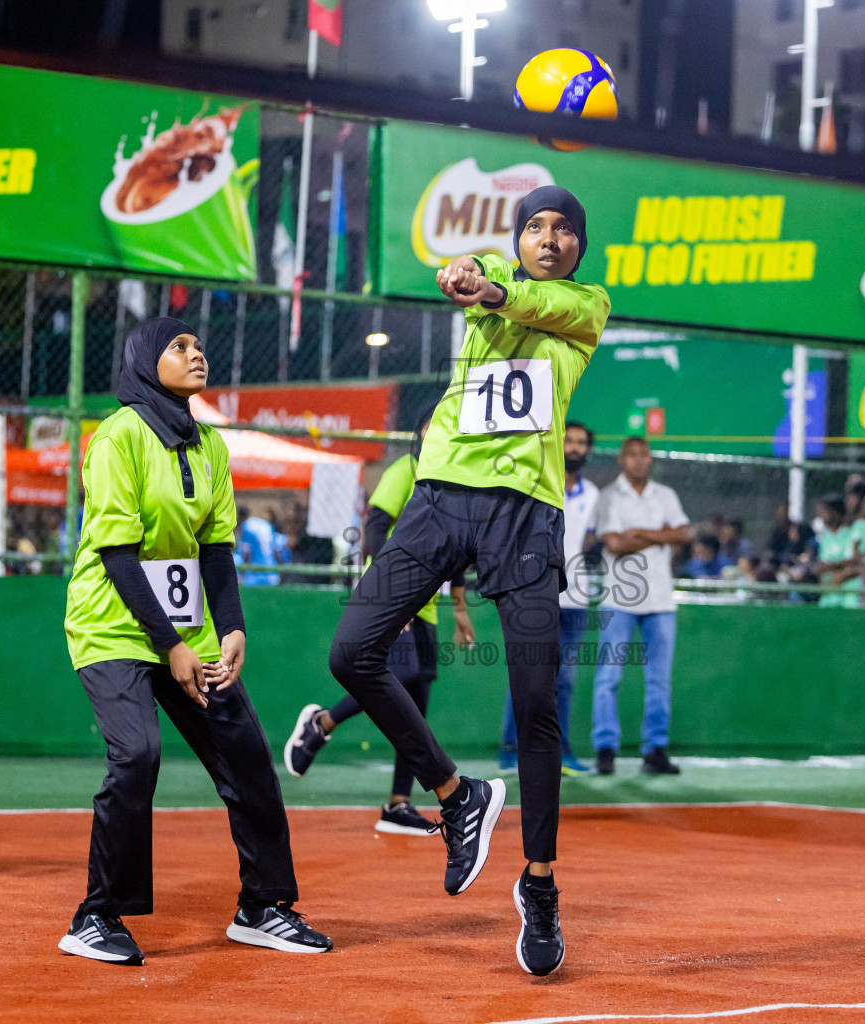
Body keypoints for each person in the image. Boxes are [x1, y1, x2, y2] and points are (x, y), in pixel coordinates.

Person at [327, 185, 608, 977]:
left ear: (578, 247)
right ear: (516, 237)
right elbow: (470, 271)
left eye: (564, 230)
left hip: (525, 514)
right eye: (535, 228)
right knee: (352, 655)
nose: (549, 239)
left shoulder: (585, 304)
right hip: (440, 497)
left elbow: (517, 297)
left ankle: (542, 886)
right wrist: (462, 274)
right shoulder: (489, 269)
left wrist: (490, 288)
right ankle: (458, 797)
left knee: (535, 703)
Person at [60, 317, 330, 966]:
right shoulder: (117, 437)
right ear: (147, 361)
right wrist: (171, 645)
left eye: (199, 345)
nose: (195, 353)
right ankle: (96, 916)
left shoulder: (209, 444)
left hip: (190, 631)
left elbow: (215, 549)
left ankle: (264, 906)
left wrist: (232, 627)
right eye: (178, 347)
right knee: (138, 754)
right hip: (113, 625)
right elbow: (119, 554)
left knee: (246, 755)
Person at [284, 410, 477, 834]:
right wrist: (388, 592)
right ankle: (322, 723)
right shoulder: (406, 469)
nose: (436, 431)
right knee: (399, 673)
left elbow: (456, 550)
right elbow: (376, 523)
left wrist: (459, 609)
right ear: (420, 431)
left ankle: (398, 804)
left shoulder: (452, 483)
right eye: (429, 424)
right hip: (395, 598)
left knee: (416, 707)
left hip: (426, 607)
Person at [497, 420, 600, 776]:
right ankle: (511, 750)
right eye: (568, 440)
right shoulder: (538, 484)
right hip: (537, 596)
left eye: (581, 442)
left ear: (588, 449)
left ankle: (562, 751)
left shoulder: (593, 494)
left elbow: (587, 542)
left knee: (565, 680)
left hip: (577, 599)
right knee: (528, 677)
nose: (574, 447)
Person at [590, 436, 693, 776]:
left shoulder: (666, 495)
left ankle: (655, 751)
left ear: (650, 460)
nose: (638, 460)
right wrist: (659, 533)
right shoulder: (608, 498)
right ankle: (605, 749)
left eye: (643, 455)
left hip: (661, 600)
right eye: (631, 455)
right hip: (618, 600)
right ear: (621, 460)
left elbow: (683, 533)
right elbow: (616, 543)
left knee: (659, 680)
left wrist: (640, 533)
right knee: (608, 677)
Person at [236, 505, 280, 586]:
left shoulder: (246, 526)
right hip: (271, 572)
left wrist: (242, 574)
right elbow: (275, 550)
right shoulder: (267, 525)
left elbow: (246, 552)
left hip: (254, 573)